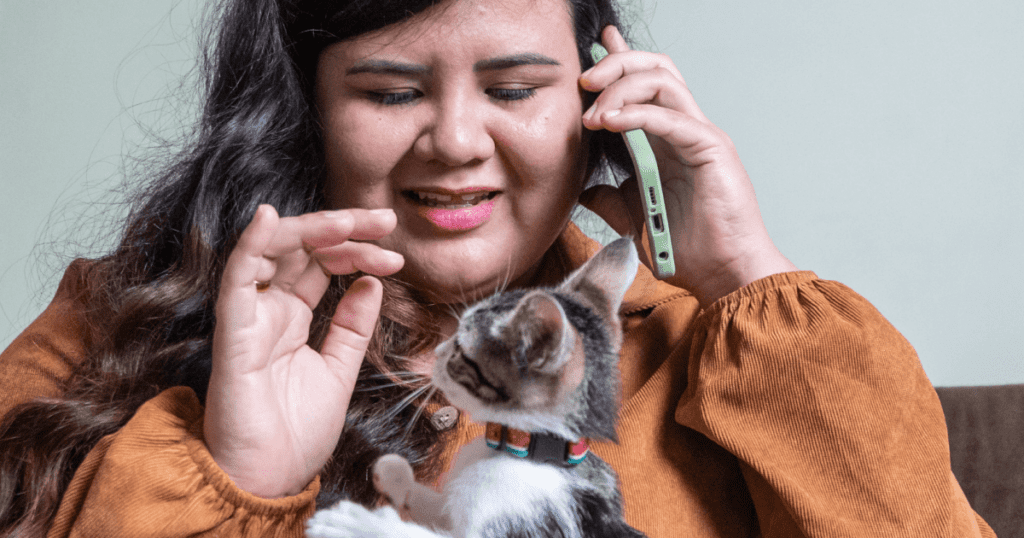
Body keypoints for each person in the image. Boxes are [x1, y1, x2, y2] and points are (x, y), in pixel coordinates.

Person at [0, 0, 995, 536]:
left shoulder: (724, 349)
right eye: (390, 92)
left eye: (514, 86)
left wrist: (746, 274)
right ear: (303, 108)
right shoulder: (118, 318)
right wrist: (234, 475)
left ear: (600, 95)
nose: (456, 142)